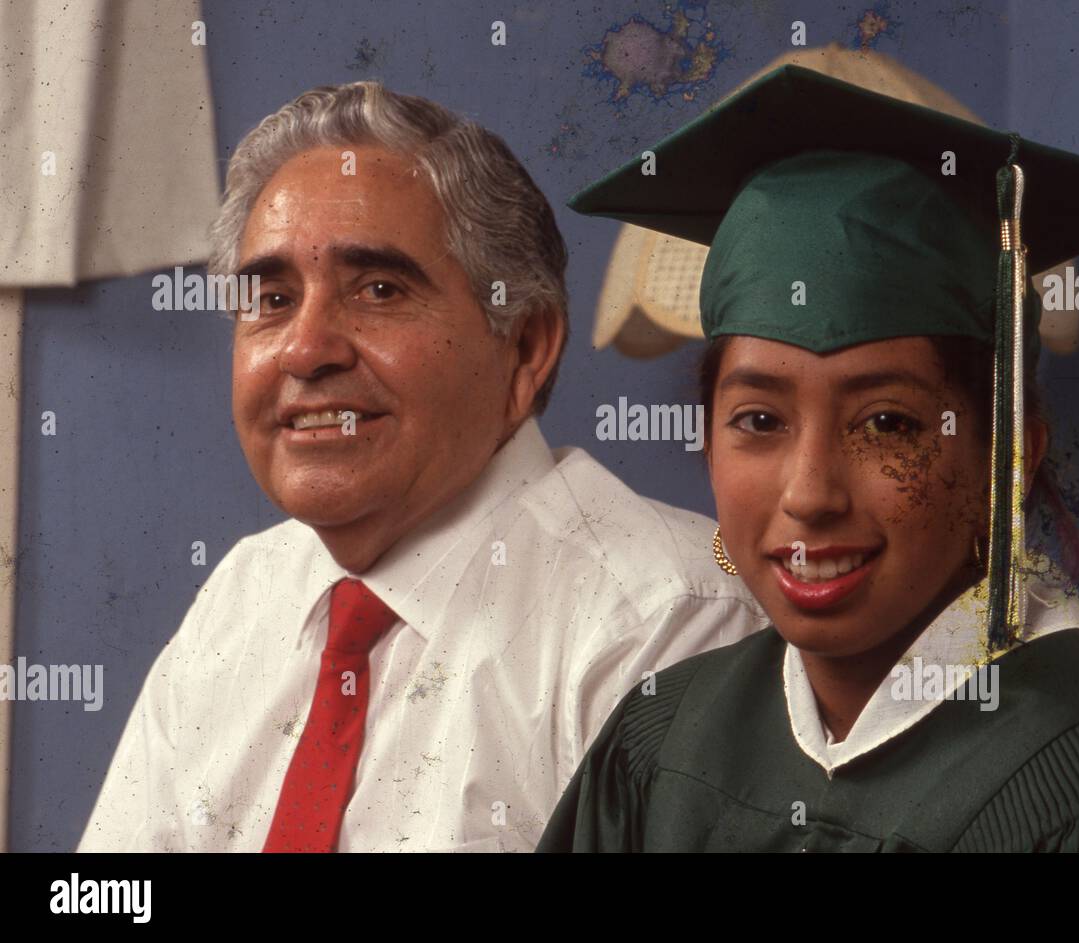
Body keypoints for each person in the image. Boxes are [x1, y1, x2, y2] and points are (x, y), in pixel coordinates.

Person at [537, 65, 1079, 852]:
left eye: (886, 423)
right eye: (760, 418)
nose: (809, 493)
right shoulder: (660, 737)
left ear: (1010, 456)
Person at [78, 82, 766, 852]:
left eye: (378, 289)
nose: (306, 350)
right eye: (271, 298)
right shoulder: (242, 594)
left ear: (527, 346)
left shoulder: (664, 619)